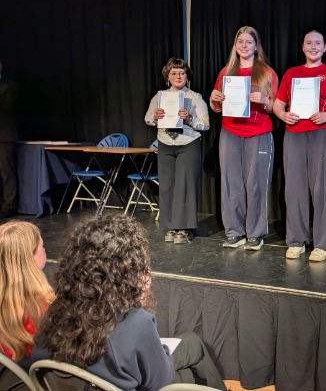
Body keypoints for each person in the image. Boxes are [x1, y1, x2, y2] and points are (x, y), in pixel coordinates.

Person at [34, 215, 226, 390]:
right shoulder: (135, 322)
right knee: (189, 373)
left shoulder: (56, 310)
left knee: (192, 344)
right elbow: (160, 382)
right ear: (128, 270)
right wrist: (139, 300)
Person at [273, 30, 326, 262]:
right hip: (294, 135)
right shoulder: (291, 73)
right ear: (303, 47)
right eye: (309, 43)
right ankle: (296, 241)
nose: (313, 47)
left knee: (323, 189)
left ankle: (324, 244)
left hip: (324, 134)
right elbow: (278, 104)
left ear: (325, 47)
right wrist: (283, 115)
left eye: (318, 43)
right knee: (294, 189)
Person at [209, 26, 279, 251]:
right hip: (230, 132)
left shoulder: (266, 72)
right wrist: (214, 98)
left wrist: (264, 100)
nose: (244, 46)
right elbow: (217, 107)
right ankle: (234, 232)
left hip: (258, 133)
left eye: (249, 42)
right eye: (241, 42)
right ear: (235, 45)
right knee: (231, 184)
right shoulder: (226, 72)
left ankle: (255, 233)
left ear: (256, 46)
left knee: (256, 184)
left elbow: (277, 107)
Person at [145, 58, 210, 244]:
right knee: (167, 186)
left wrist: (189, 118)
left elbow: (205, 125)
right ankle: (171, 227)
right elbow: (148, 119)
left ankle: (186, 228)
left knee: (185, 185)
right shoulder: (159, 97)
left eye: (182, 73)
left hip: (188, 143)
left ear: (187, 76)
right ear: (167, 76)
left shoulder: (195, 98)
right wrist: (155, 117)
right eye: (174, 73)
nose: (178, 76)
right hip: (165, 143)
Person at [0, 221, 54, 366]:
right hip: (39, 367)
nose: (45, 250)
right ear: (31, 258)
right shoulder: (40, 307)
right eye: (41, 247)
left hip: (12, 364)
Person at [0, 59, 18, 218]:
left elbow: (10, 108)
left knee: (7, 172)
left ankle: (9, 205)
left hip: (4, 136)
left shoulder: (9, 86)